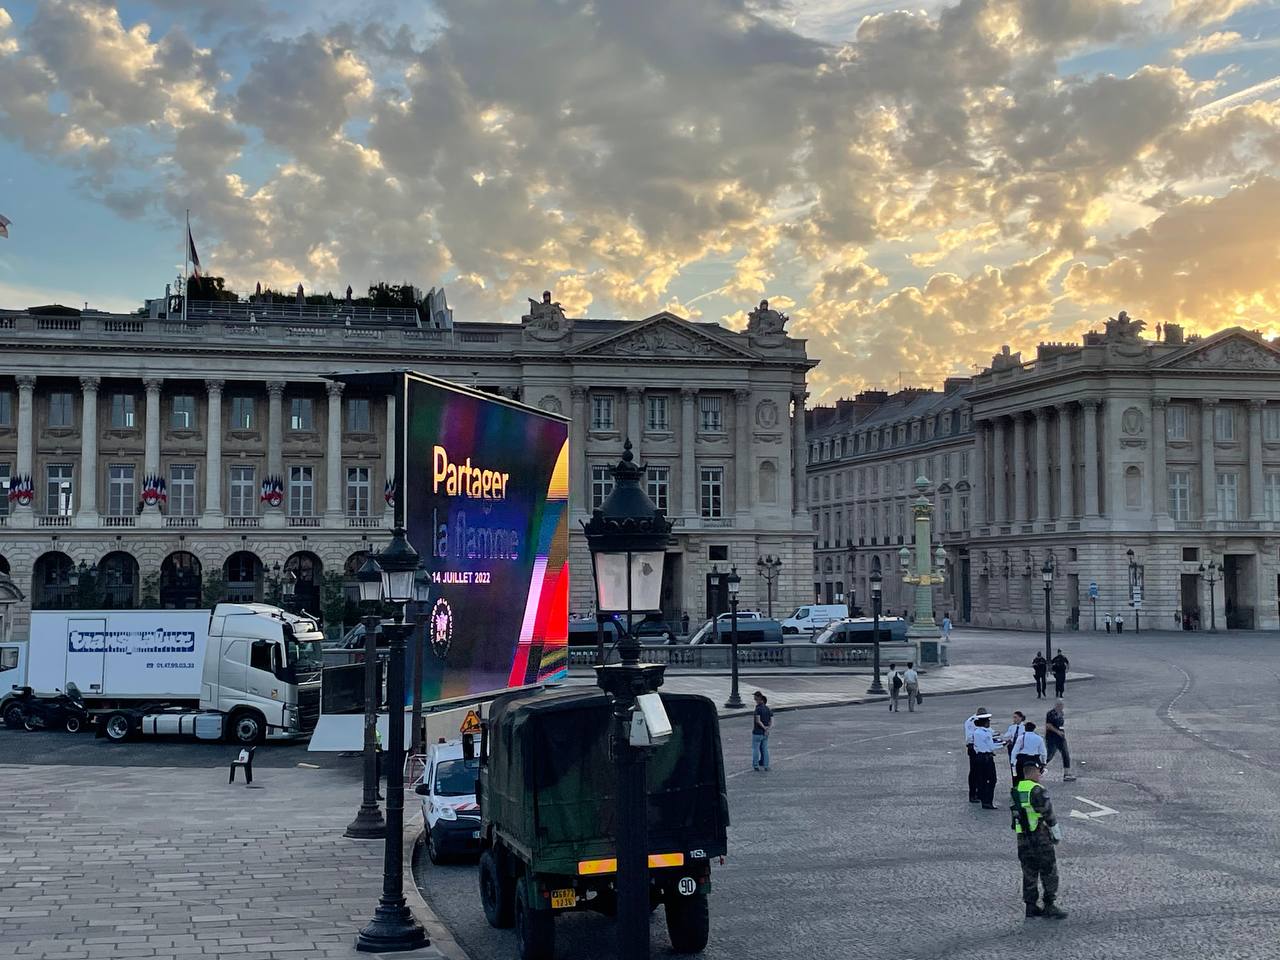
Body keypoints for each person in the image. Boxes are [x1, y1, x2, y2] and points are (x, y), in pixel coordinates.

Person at [1011, 761, 1067, 919]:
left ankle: (1030, 906)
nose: (1040, 774)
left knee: (1029, 872)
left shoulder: (1016, 790)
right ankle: (1049, 904)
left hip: (1022, 838)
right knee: (1049, 871)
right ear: (1034, 772)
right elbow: (1048, 814)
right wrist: (1056, 833)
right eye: (1039, 771)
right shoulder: (1037, 790)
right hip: (1039, 836)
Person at [972, 713, 1000, 809]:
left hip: (979, 757)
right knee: (992, 779)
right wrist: (1003, 744)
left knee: (982, 779)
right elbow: (991, 747)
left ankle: (984, 800)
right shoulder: (986, 733)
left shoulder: (976, 732)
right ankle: (988, 801)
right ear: (985, 723)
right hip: (987, 758)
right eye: (988, 721)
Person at [1044, 700, 1075, 782]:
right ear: (1056, 705)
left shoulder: (1061, 713)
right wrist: (1058, 732)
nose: (1061, 707)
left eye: (1062, 705)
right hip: (1052, 738)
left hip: (1061, 738)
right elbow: (1048, 725)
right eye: (1060, 705)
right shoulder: (1051, 714)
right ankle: (1038, 767)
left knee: (1065, 754)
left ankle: (1067, 774)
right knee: (1050, 755)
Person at [964, 705, 988, 802]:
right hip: (974, 747)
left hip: (979, 746)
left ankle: (979, 792)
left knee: (981, 771)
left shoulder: (977, 720)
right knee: (974, 771)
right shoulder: (972, 721)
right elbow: (971, 736)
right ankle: (972, 794)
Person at [751, 690, 772, 772]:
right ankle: (766, 765)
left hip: (757, 732)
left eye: (755, 697)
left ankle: (756, 765)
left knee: (755, 749)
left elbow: (758, 721)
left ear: (759, 699)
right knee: (765, 749)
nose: (754, 699)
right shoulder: (768, 709)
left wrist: (764, 728)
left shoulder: (758, 709)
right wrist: (767, 728)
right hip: (765, 733)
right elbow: (772, 721)